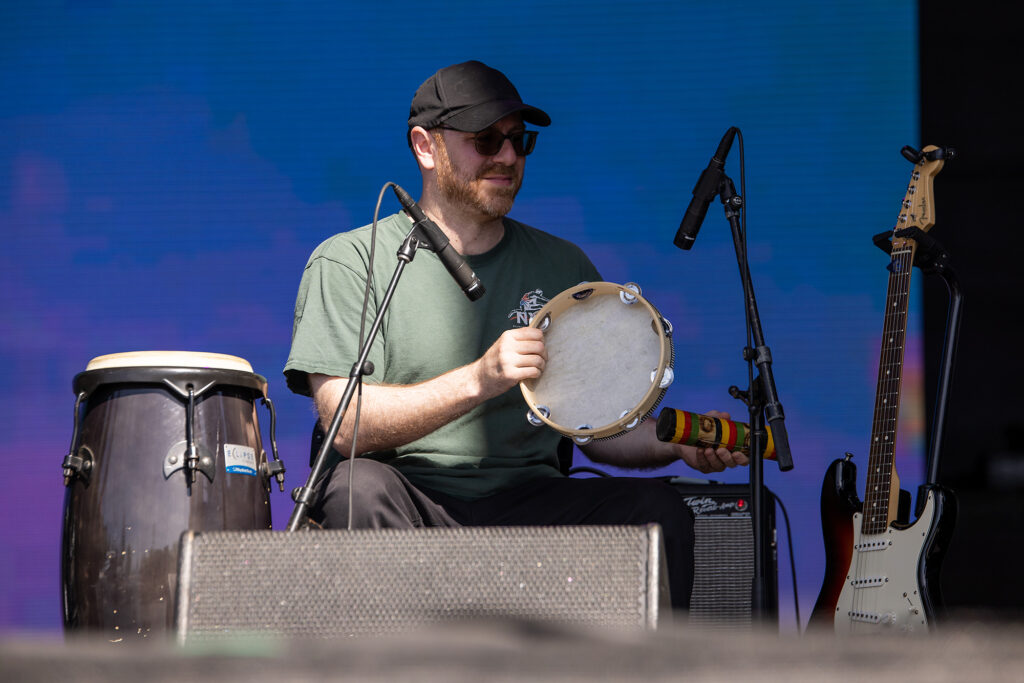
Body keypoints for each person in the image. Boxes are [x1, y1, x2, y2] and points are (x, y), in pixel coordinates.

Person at [284, 60, 749, 609]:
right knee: (356, 489)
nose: (507, 157)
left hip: (531, 501)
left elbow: (593, 428)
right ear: (425, 148)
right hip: (409, 496)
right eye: (485, 140)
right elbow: (346, 424)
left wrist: (677, 444)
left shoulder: (562, 265)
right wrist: (481, 378)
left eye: (519, 141)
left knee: (656, 515)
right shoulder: (349, 260)